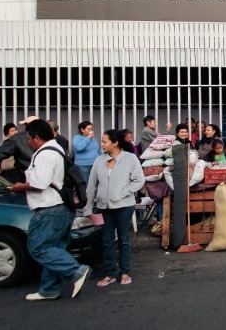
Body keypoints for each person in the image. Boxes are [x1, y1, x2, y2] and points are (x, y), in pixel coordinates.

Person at [8, 119, 91, 301]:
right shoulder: (57, 149)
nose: (28, 141)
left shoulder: (44, 154)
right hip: (61, 208)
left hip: (49, 208)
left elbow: (40, 183)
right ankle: (49, 289)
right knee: (54, 248)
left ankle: (76, 270)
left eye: (29, 138)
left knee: (39, 248)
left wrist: (19, 187)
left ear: (37, 138)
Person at [84, 129, 145, 287]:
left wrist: (124, 192)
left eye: (105, 142)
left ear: (115, 142)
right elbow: (91, 186)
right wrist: (89, 208)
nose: (101, 144)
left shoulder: (130, 158)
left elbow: (139, 180)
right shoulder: (99, 161)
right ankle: (109, 273)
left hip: (124, 205)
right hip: (104, 206)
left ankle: (125, 271)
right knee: (107, 241)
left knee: (124, 240)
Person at [0, 116, 39, 183]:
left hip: (24, 178)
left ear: (26, 126)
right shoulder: (48, 137)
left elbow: (0, 153)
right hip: (46, 178)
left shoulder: (17, 138)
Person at [71, 121, 103, 185]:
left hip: (94, 164)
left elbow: (97, 149)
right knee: (86, 184)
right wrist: (88, 138)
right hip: (83, 165)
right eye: (88, 129)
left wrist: (103, 157)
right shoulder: (77, 138)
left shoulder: (93, 139)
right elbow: (79, 147)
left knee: (95, 184)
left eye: (92, 129)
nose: (91, 131)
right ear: (82, 130)